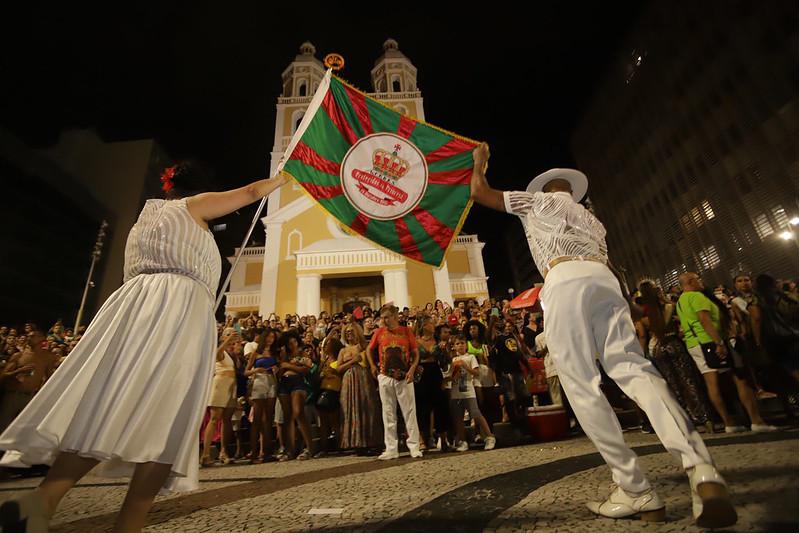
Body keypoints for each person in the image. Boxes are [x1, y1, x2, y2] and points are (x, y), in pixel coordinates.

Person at [0, 161, 286, 533]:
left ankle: (42, 501)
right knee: (166, 415)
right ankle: (128, 523)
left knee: (109, 404)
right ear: (197, 189)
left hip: (133, 306)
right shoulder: (192, 206)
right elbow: (249, 194)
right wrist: (282, 177)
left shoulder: (142, 221)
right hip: (177, 310)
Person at [469, 143, 735, 528]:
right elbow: (612, 267)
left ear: (545, 191)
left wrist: (479, 163)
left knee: (581, 383)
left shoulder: (535, 202)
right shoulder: (593, 221)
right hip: (604, 282)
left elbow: (480, 193)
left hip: (563, 279)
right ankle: (702, 470)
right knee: (636, 371)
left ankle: (635, 487)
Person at [677, 272, 777, 433]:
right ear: (690, 282)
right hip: (711, 341)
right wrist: (718, 342)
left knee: (712, 384)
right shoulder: (696, 296)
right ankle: (756, 420)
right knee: (740, 378)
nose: (701, 281)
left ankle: (729, 422)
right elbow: (704, 319)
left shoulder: (681, 301)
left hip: (695, 344)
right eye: (698, 279)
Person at [637, 282, 713, 431]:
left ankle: (684, 419)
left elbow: (644, 334)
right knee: (689, 380)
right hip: (673, 343)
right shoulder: (669, 307)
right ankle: (703, 418)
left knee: (672, 385)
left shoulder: (643, 313)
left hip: (657, 348)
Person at [367, 304, 423, 460]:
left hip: (405, 376)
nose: (383, 320)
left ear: (395, 316)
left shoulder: (406, 331)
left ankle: (414, 446)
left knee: (409, 412)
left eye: (386, 317)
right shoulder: (379, 333)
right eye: (382, 318)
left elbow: (415, 352)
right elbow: (369, 349)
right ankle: (391, 448)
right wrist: (372, 365)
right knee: (388, 413)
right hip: (385, 375)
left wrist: (412, 369)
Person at [337, 323, 382, 453]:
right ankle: (355, 442)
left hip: (363, 378)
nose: (349, 334)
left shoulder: (362, 346)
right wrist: (352, 361)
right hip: (348, 380)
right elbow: (339, 368)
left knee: (365, 407)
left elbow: (369, 360)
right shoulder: (342, 350)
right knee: (350, 408)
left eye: (351, 331)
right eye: (347, 332)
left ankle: (370, 441)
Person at [448, 335, 496, 451]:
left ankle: (489, 436)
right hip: (456, 390)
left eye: (462, 343)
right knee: (458, 417)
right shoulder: (453, 360)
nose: (460, 346)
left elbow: (476, 372)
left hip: (468, 389)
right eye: (458, 344)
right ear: (454, 346)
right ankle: (462, 441)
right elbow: (450, 375)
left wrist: (465, 366)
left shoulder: (470, 357)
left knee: (476, 413)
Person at [201, 332, 241, 466]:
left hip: (231, 385)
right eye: (228, 334)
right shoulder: (220, 351)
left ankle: (223, 452)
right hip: (220, 384)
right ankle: (205, 454)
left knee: (227, 419)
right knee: (214, 418)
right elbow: (217, 353)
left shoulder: (232, 354)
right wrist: (227, 340)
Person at [276, 330, 314, 460]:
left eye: (294, 341)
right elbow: (279, 372)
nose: (292, 344)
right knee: (288, 417)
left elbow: (305, 370)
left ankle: (309, 447)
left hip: (297, 382)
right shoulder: (283, 356)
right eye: (289, 343)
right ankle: (290, 450)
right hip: (284, 384)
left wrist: (288, 366)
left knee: (298, 412)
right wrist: (291, 365)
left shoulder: (303, 353)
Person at [245, 329, 279, 463]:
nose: (271, 339)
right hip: (259, 381)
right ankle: (254, 452)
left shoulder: (274, 353)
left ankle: (266, 452)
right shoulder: (256, 353)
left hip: (271, 381)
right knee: (257, 419)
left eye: (273, 337)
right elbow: (246, 371)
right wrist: (256, 370)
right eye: (269, 337)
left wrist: (276, 369)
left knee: (268, 418)